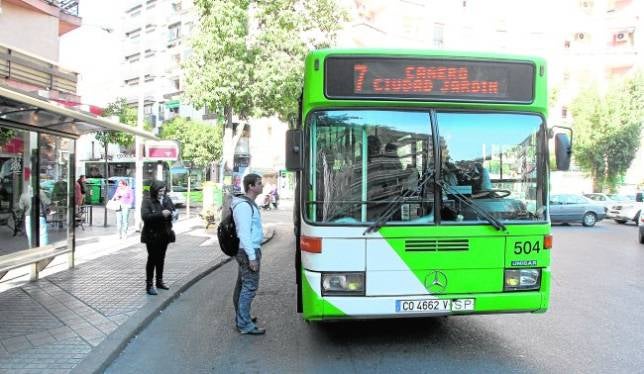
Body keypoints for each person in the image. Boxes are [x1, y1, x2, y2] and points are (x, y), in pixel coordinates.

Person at [232, 173, 265, 335]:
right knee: (249, 287)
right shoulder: (244, 206)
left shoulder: (249, 204)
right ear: (251, 186)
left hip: (247, 250)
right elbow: (244, 233)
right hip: (247, 251)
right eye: (259, 183)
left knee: (242, 285)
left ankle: (242, 318)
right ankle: (244, 324)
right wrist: (252, 257)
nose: (262, 186)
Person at [140, 180, 175, 295]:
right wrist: (161, 214)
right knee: (152, 259)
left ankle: (159, 281)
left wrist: (172, 213)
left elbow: (172, 210)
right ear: (154, 190)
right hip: (152, 235)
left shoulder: (166, 199)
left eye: (163, 191)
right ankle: (149, 285)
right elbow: (145, 217)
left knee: (161, 259)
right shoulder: (147, 201)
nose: (162, 193)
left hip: (164, 234)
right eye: (160, 191)